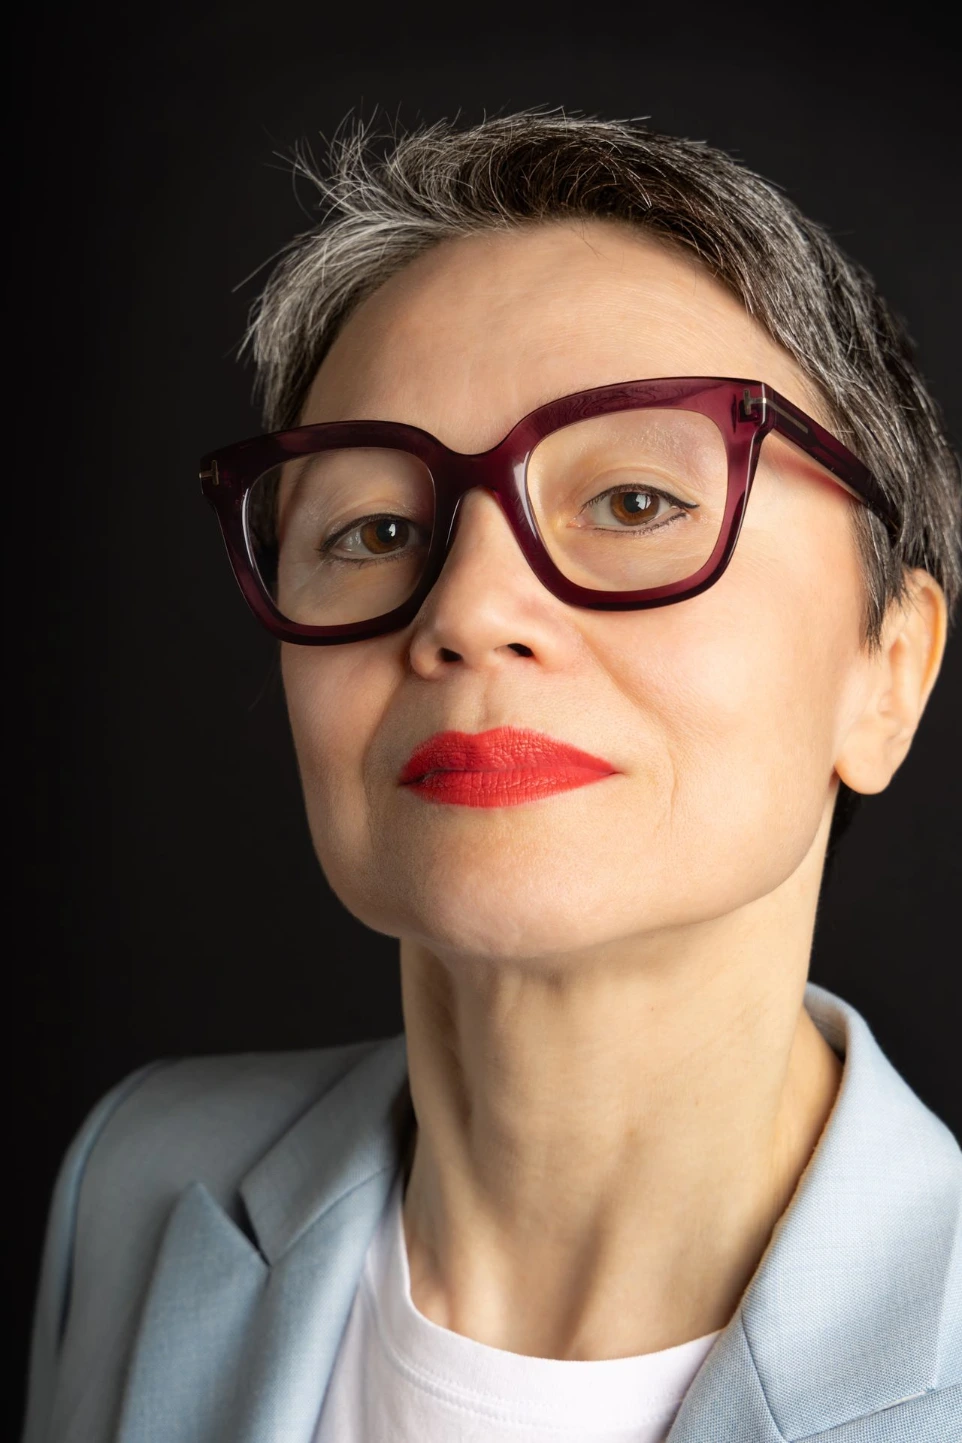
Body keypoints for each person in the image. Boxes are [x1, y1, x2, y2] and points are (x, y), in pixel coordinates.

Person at [23, 112, 962, 1443]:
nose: (465, 609)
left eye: (633, 502)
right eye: (375, 528)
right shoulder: (139, 1178)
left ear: (890, 671)